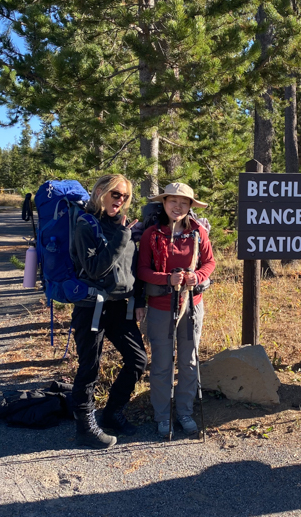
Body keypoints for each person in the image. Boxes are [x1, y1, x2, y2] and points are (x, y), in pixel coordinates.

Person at [70, 174, 148, 448]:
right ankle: (85, 427)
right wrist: (123, 237)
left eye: (125, 197)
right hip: (91, 307)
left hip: (119, 306)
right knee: (89, 367)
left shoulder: (124, 227)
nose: (121, 201)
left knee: (138, 360)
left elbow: (132, 269)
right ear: (101, 191)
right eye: (116, 194)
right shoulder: (85, 225)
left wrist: (139, 300)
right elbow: (94, 268)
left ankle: (112, 413)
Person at [137, 182, 216, 438]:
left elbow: (209, 262)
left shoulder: (197, 232)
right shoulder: (152, 234)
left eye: (183, 202)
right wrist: (166, 279)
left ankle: (184, 411)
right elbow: (143, 271)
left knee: (189, 360)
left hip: (192, 306)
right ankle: (163, 415)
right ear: (164, 203)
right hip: (160, 307)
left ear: (190, 206)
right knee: (162, 363)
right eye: (173, 201)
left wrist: (198, 276)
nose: (178, 206)